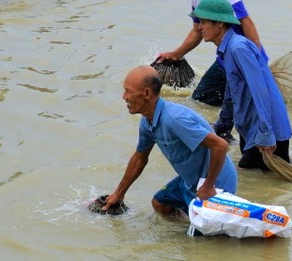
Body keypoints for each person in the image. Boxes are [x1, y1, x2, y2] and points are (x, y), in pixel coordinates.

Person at [155, 0, 266, 140]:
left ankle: (224, 135)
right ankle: (224, 133)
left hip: (240, 56)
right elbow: (197, 30)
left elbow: (246, 21)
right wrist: (176, 54)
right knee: (216, 99)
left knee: (202, 98)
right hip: (226, 57)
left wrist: (257, 57)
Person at [101, 65, 237, 217]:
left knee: (203, 237)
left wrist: (208, 186)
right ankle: (186, 219)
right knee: (160, 203)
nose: (124, 96)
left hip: (216, 183)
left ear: (146, 93)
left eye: (128, 91)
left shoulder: (175, 120)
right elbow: (139, 159)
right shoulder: (147, 121)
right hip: (190, 181)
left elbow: (220, 145)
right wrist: (118, 194)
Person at [192, 0, 292, 171]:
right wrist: (222, 126)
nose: (199, 27)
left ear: (220, 23)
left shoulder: (238, 49)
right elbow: (232, 92)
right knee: (261, 181)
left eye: (203, 22)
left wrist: (266, 134)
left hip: (266, 131)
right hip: (252, 129)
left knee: (252, 181)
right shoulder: (228, 49)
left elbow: (259, 90)